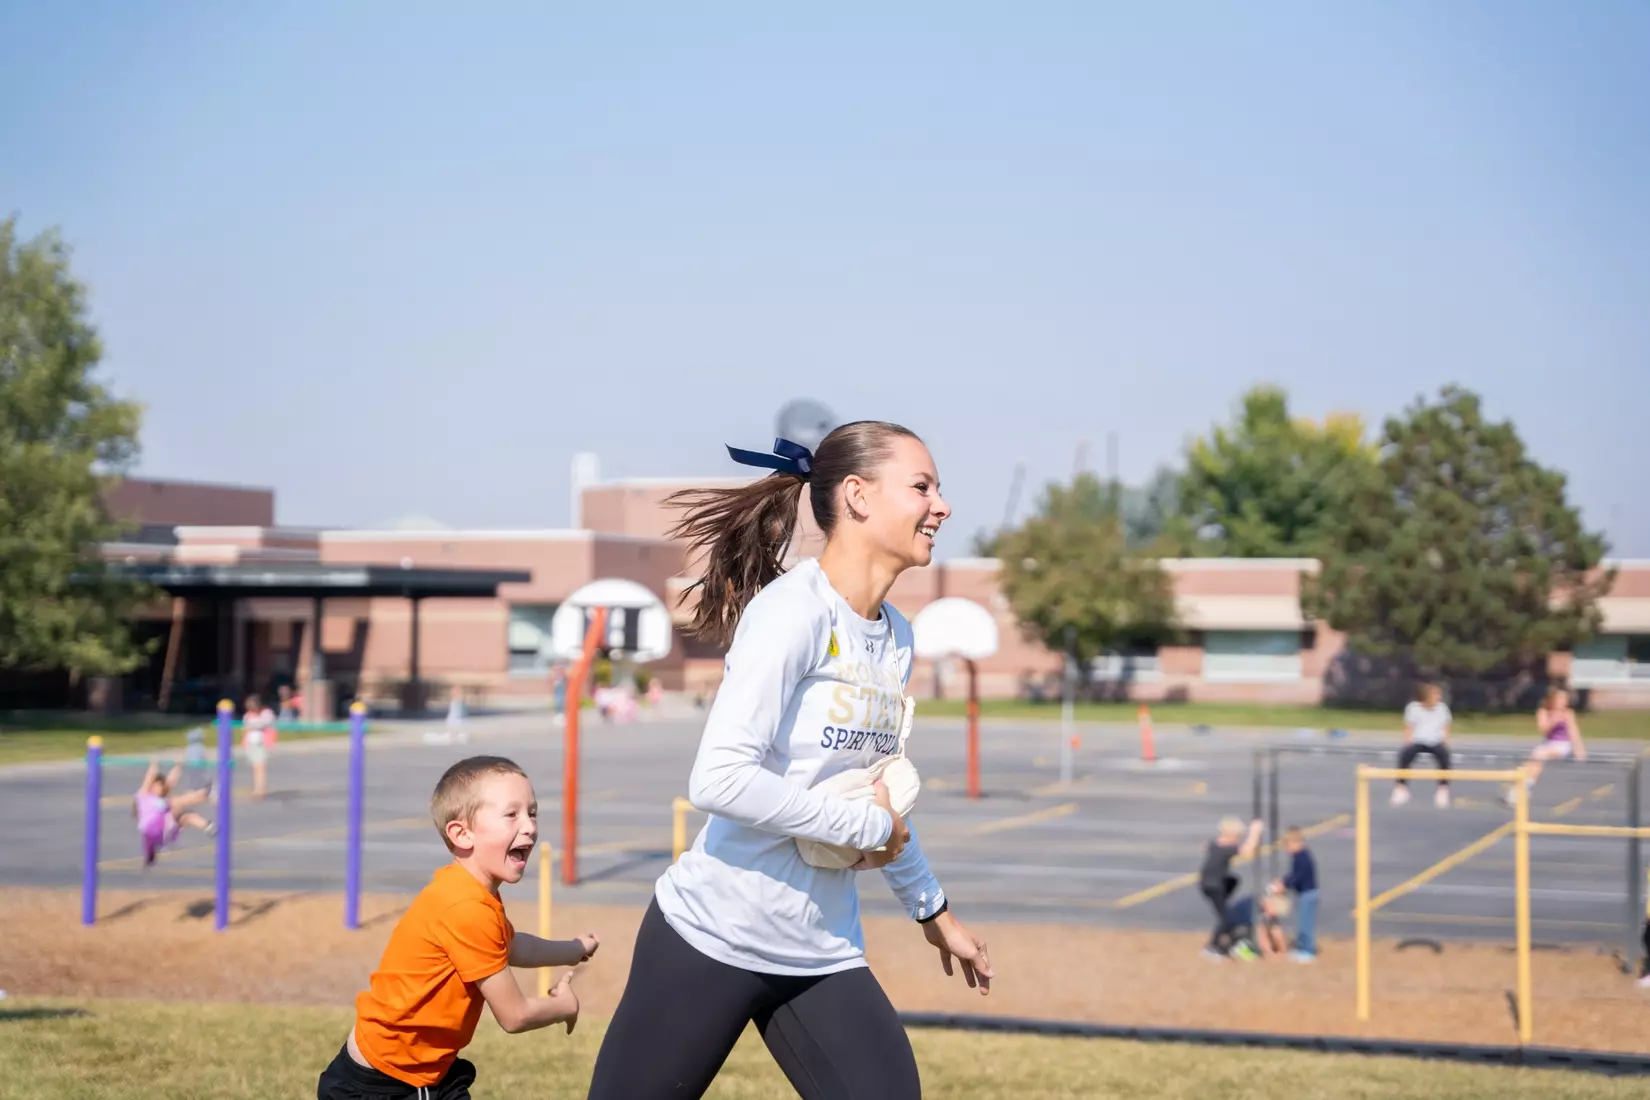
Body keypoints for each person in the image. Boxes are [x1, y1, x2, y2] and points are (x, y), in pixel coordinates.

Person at [586, 423, 992, 1100]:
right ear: (858, 496)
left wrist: (935, 912)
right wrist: (869, 828)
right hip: (711, 935)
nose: (942, 506)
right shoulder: (791, 613)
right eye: (922, 487)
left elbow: (873, 796)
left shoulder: (897, 637)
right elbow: (719, 780)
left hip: (821, 952)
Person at [317, 756, 598, 1099]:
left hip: (419, 1071)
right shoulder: (466, 909)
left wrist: (573, 949)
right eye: (512, 814)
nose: (530, 827)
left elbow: (511, 946)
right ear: (462, 834)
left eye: (532, 812)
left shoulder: (468, 891)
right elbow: (515, 1015)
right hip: (382, 1084)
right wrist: (565, 1006)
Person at [1507, 687, 1588, 805]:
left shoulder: (1568, 713)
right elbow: (1543, 730)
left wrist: (1579, 749)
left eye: (1564, 699)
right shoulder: (1543, 712)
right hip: (1548, 743)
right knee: (1531, 762)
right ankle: (1520, 785)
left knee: (1539, 755)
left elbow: (1574, 731)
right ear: (1553, 700)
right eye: (1559, 699)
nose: (1562, 702)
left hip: (1563, 745)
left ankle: (1523, 785)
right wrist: (1554, 720)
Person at [1200, 816, 1264, 959]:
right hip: (1213, 885)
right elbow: (1247, 851)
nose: (1237, 840)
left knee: (1234, 881)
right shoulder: (1224, 848)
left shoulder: (1217, 844)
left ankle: (1225, 943)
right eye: (1237, 837)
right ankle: (1213, 947)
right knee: (1226, 918)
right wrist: (1255, 832)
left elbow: (1208, 845)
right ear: (1230, 835)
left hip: (1213, 884)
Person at [133, 760, 215, 866]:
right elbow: (149, 778)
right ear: (152, 786)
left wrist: (178, 766)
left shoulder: (161, 798)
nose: (160, 788)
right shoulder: (144, 796)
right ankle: (207, 793)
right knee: (177, 802)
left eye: (160, 786)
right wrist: (153, 764)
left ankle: (210, 828)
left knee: (188, 817)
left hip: (163, 831)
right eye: (157, 785)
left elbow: (170, 782)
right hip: (155, 827)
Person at [1393, 682, 1453, 808]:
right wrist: (1407, 742)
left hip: (1435, 741)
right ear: (1427, 696)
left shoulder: (1442, 708)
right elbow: (1409, 727)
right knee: (1404, 756)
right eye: (1435, 695)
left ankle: (1442, 789)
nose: (1438, 697)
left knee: (1444, 757)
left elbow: (1446, 726)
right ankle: (1401, 788)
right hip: (1418, 741)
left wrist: (1445, 741)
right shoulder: (1413, 708)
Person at [1273, 825, 1319, 962]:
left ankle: (1307, 951)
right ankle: (1302, 948)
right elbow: (1293, 875)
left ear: (1295, 843)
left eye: (1287, 846)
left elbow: (1297, 877)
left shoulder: (1302, 858)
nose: (1287, 850)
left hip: (1308, 894)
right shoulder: (1299, 856)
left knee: (1306, 924)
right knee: (1302, 922)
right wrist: (1283, 881)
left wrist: (1284, 885)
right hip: (1304, 893)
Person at [242, 693, 277, 799]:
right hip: (251, 742)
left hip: (261, 743)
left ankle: (261, 789)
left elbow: (265, 723)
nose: (252, 710)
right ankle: (256, 788)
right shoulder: (248, 715)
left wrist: (253, 725)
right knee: (255, 767)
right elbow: (245, 726)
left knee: (260, 766)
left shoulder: (266, 713)